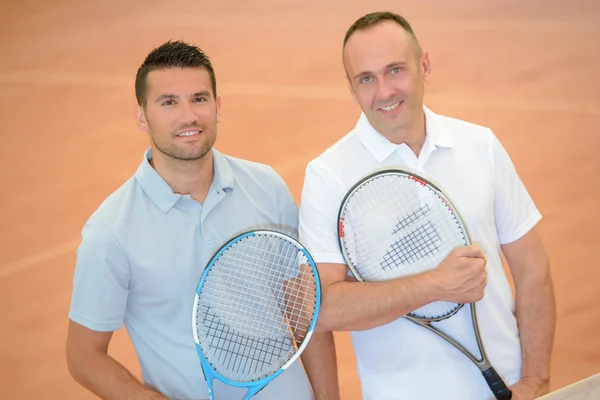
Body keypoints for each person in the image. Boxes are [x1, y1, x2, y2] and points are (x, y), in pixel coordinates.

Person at [298, 11, 556, 400]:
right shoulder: (328, 175)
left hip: (506, 385)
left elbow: (532, 269)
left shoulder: (479, 145)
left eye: (395, 70)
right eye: (366, 78)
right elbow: (323, 308)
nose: (384, 91)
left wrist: (535, 380)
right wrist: (434, 284)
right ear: (351, 88)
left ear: (425, 66)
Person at [66, 40, 339, 400]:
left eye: (199, 98)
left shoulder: (266, 187)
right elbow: (83, 356)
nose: (188, 116)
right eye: (168, 102)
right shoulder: (110, 231)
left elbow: (306, 312)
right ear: (141, 116)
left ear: (217, 105)